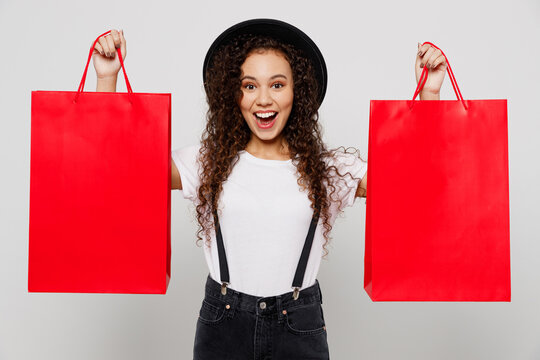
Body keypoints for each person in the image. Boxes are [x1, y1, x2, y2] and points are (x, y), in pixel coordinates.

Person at [92, 19, 447, 360]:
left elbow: (413, 186)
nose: (263, 99)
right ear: (234, 94)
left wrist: (429, 93)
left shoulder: (327, 168)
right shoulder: (207, 161)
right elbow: (123, 175)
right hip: (223, 324)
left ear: (298, 91)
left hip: (299, 324)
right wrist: (107, 79)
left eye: (277, 85)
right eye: (250, 85)